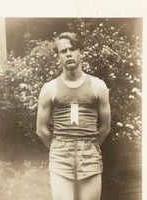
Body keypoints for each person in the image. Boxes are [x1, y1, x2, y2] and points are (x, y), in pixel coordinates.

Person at [36, 32, 111, 200]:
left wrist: (89, 146)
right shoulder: (49, 88)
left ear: (81, 52)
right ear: (58, 57)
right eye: (63, 51)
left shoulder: (98, 86)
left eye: (73, 49)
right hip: (60, 155)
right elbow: (41, 129)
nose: (68, 53)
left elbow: (105, 127)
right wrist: (60, 146)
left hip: (90, 154)